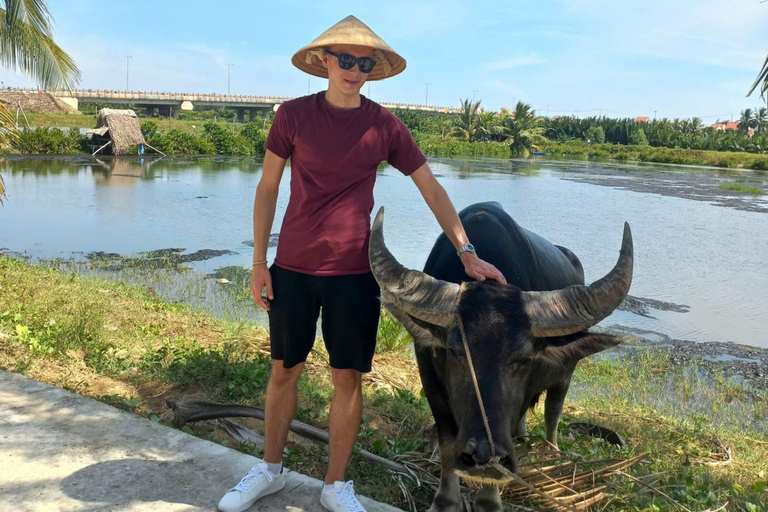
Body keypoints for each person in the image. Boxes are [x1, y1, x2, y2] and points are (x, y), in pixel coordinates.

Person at [218, 15, 506, 512]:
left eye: (364, 62)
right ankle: (269, 471)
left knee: (347, 377)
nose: (354, 70)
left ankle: (335, 485)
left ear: (373, 70)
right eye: (346, 60)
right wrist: (259, 260)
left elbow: (430, 187)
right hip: (292, 266)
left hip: (355, 273)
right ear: (325, 61)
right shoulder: (291, 115)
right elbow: (268, 187)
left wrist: (466, 250)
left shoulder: (384, 125)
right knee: (284, 368)